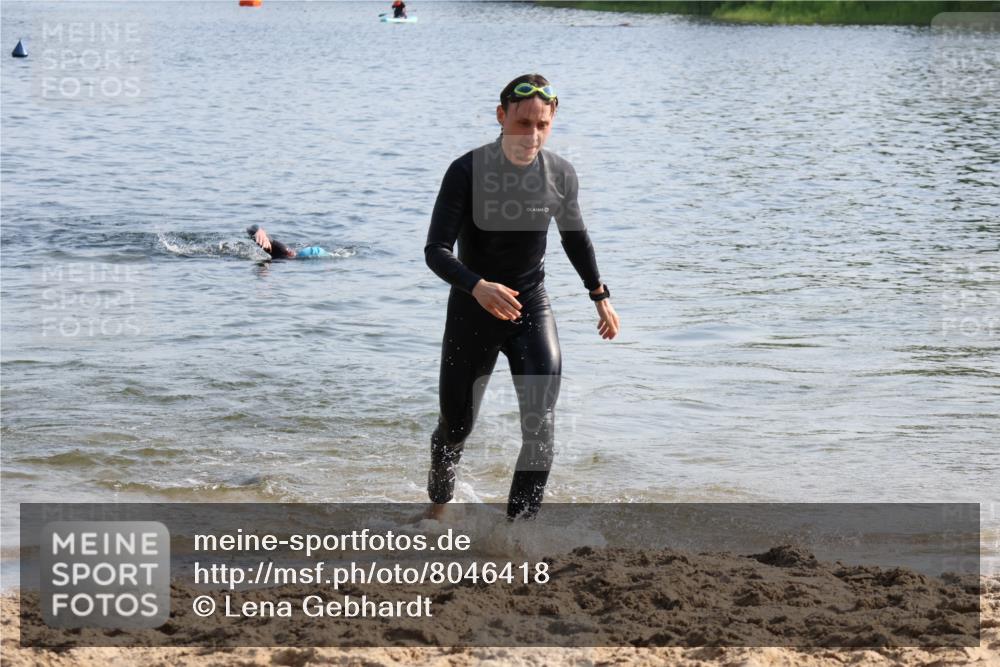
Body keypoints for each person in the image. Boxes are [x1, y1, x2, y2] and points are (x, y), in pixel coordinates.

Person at [424, 74, 620, 522]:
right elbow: (435, 251)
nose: (532, 135)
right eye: (523, 123)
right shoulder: (466, 171)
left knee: (539, 425)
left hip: (531, 305)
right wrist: (477, 285)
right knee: (455, 427)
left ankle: (519, 532)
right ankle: (437, 508)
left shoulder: (561, 174)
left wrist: (599, 295)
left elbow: (576, 238)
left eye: (542, 125)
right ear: (502, 115)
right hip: (474, 309)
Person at [246, 225, 330, 259]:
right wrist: (259, 231)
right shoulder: (282, 251)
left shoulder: (285, 256)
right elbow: (250, 228)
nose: (291, 252)